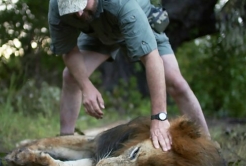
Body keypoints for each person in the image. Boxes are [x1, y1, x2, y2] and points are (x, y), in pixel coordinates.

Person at [47, 0, 210, 152]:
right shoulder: (57, 7)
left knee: (177, 83)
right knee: (71, 76)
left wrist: (159, 118)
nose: (79, 14)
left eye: (81, 5)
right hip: (100, 34)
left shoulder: (123, 4)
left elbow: (152, 59)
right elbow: (68, 49)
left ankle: (208, 146)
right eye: (72, 8)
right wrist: (86, 86)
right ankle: (65, 143)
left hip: (141, 23)